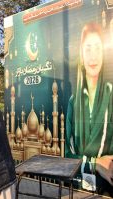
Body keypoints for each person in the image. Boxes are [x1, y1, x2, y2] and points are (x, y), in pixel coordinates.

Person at [66, 22, 113, 196]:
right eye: (88, 49)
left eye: (97, 49)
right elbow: (67, 154)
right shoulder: (73, 101)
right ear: (81, 54)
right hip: (82, 186)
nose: (93, 56)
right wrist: (95, 164)